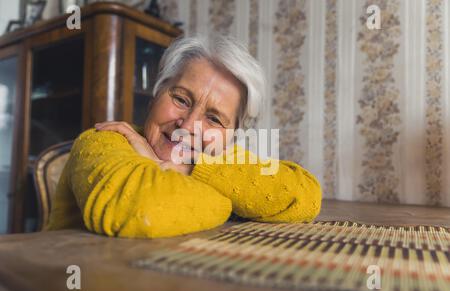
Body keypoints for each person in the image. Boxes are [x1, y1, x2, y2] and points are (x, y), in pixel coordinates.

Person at [46, 35, 322, 238]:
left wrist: (189, 168)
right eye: (180, 99)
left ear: (232, 135)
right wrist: (230, 200)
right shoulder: (104, 139)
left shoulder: (214, 160)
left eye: (214, 119)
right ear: (157, 92)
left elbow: (305, 195)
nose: (189, 126)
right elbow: (141, 212)